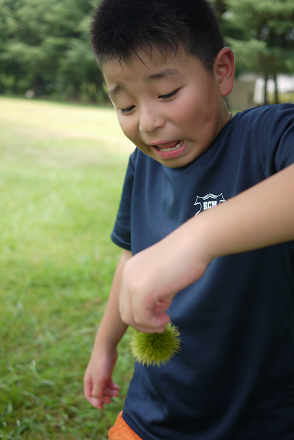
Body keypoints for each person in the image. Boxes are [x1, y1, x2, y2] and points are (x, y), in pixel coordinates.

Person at [84, 0, 294, 438]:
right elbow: (133, 260)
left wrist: (196, 238)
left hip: (258, 422)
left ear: (221, 72)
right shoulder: (141, 166)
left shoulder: (267, 136)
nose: (148, 122)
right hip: (152, 416)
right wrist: (105, 346)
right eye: (125, 106)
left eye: (166, 94)